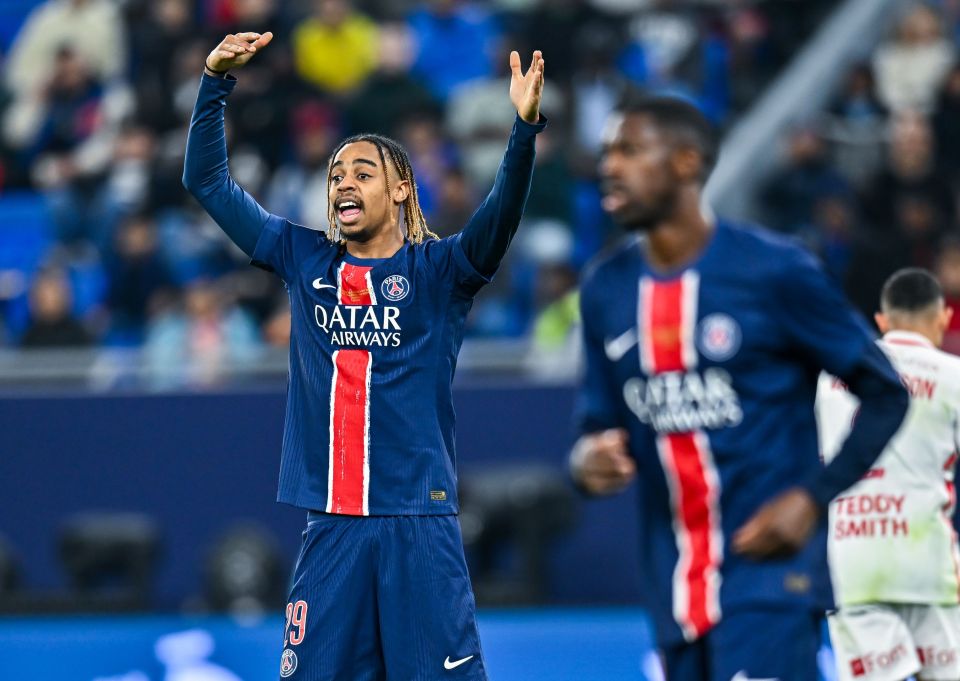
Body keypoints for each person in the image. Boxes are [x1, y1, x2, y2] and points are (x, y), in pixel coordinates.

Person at [182, 31, 545, 680]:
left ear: (403, 189)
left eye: (363, 171)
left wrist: (522, 132)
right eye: (335, 174)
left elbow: (501, 217)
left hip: (418, 526)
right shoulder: (302, 258)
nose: (343, 181)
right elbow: (206, 180)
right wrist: (215, 81)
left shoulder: (439, 272)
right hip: (332, 531)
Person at [568, 93, 909, 681]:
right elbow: (598, 426)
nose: (610, 165)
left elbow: (886, 392)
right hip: (672, 586)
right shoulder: (605, 289)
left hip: (768, 579)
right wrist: (586, 462)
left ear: (686, 163)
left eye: (629, 150)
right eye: (605, 152)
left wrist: (811, 497)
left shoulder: (775, 271)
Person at [817, 268, 960, 681]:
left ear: (881, 321)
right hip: (930, 564)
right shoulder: (953, 376)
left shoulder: (830, 376)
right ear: (944, 318)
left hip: (854, 560)